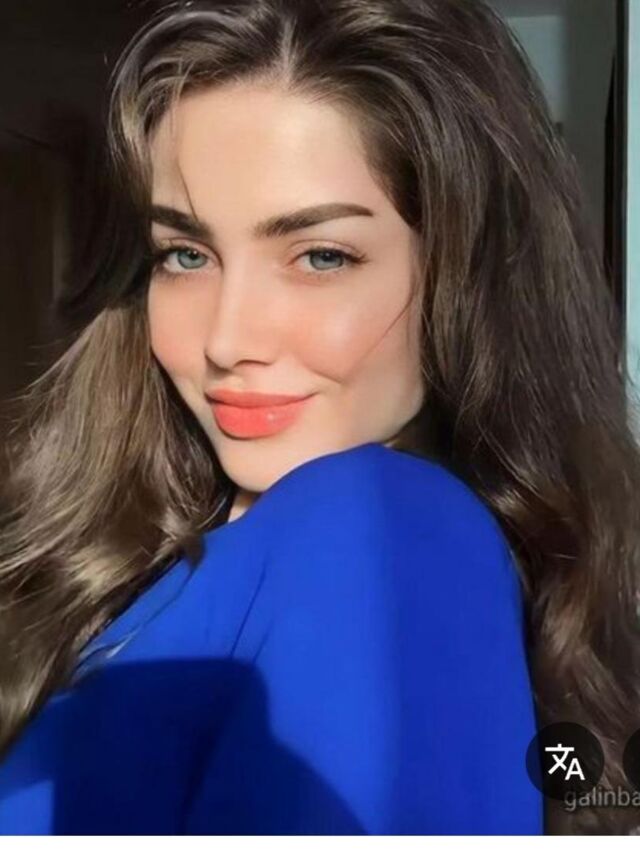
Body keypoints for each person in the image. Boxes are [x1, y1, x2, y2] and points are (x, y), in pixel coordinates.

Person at [0, 0, 637, 835]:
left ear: (466, 281)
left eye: (321, 256)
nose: (227, 340)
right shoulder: (171, 557)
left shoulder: (379, 525)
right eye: (185, 254)